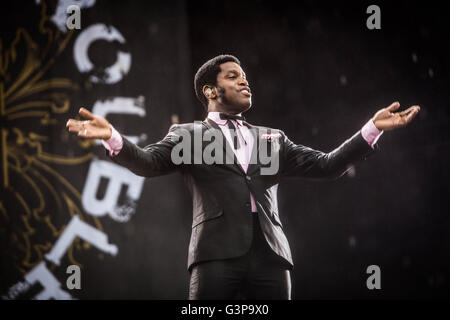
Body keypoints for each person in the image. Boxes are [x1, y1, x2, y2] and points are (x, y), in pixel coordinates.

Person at [66, 54, 420, 299]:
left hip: (271, 255)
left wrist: (371, 129)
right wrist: (113, 137)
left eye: (245, 76)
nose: (244, 81)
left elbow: (327, 165)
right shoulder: (187, 135)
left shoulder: (273, 138)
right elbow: (146, 162)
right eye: (233, 76)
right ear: (210, 90)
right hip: (215, 256)